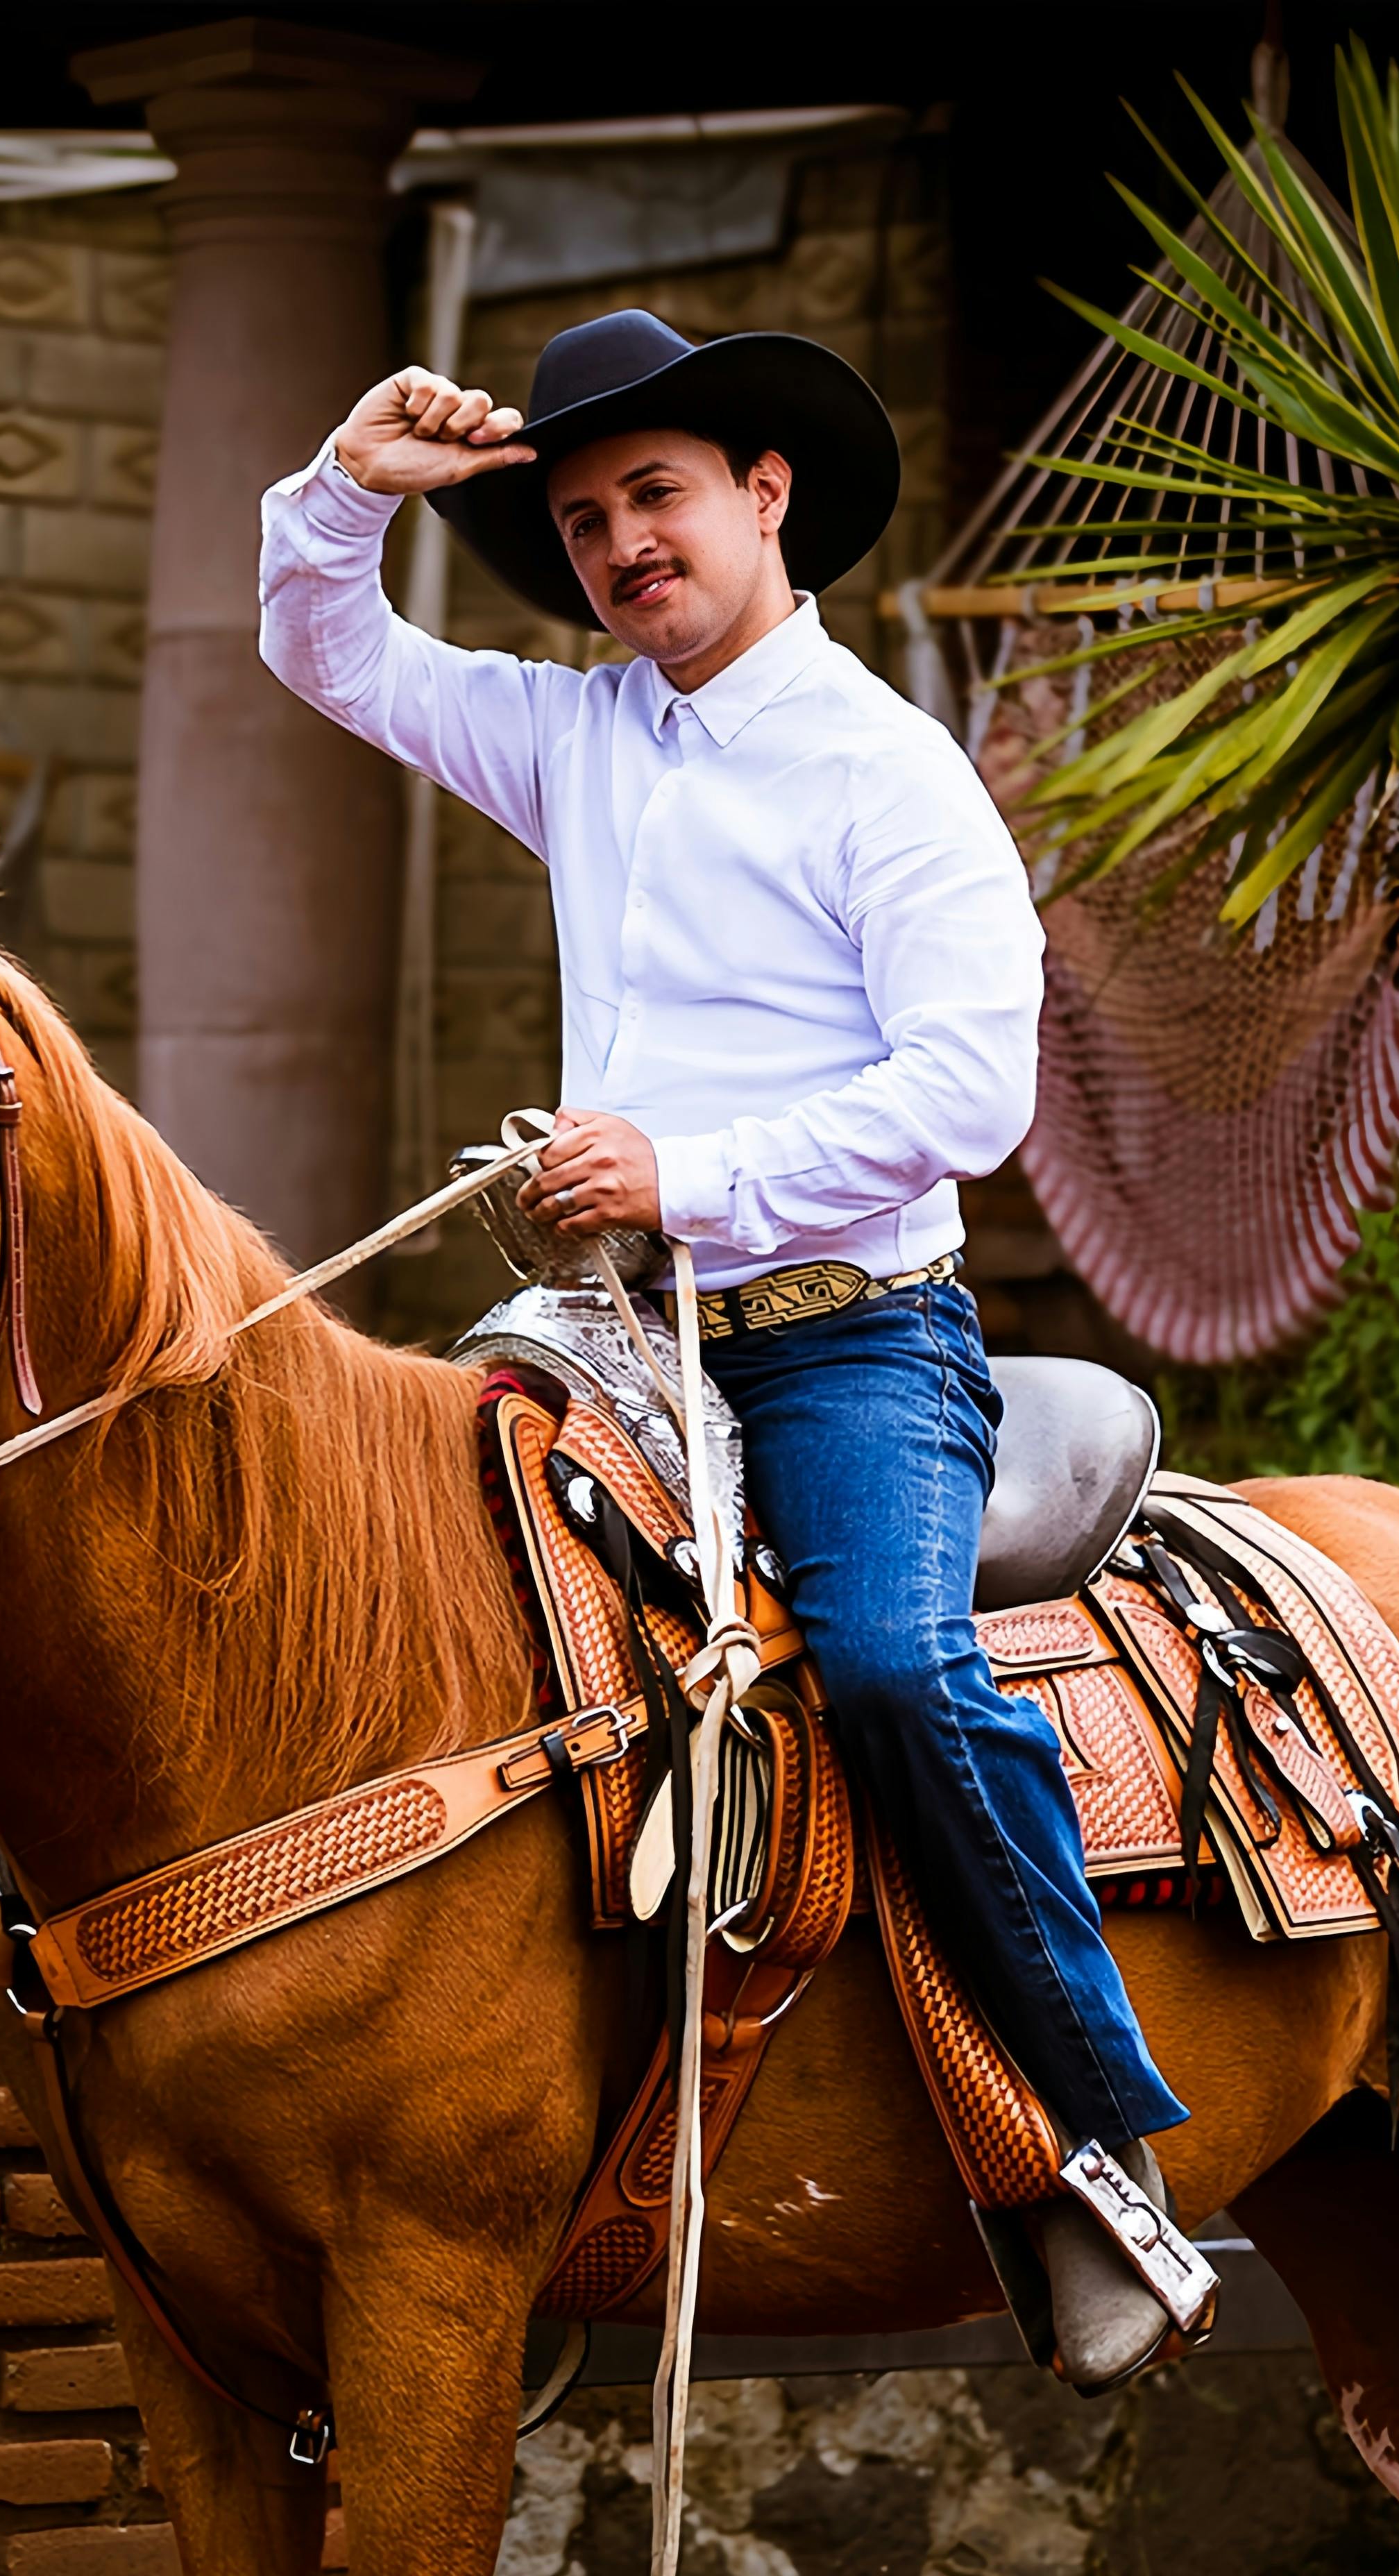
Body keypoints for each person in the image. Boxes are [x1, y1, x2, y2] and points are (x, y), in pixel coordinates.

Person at [256, 307, 1215, 2384]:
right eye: (586, 517)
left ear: (766, 497)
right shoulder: (581, 735)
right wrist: (349, 487)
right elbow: (329, 655)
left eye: (658, 497)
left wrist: (684, 1171)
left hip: (856, 1340)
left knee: (887, 1660)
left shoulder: (896, 772)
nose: (619, 546)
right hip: (618, 1331)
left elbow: (971, 1094)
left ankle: (1099, 2138)